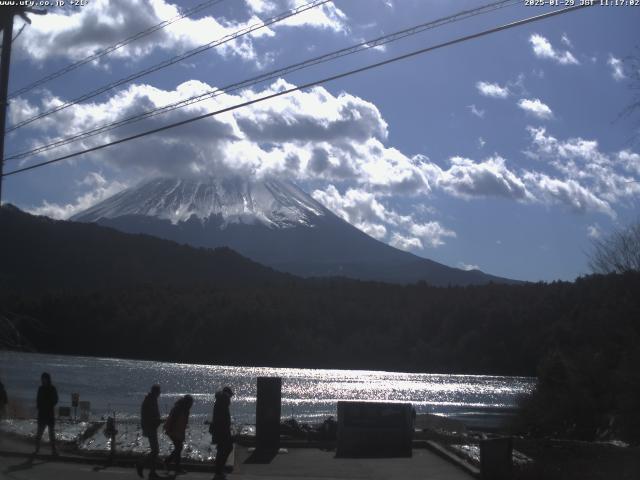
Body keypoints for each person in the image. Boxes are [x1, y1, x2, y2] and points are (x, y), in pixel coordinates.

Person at [137, 384, 162, 479]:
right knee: (155, 451)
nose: (160, 393)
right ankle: (141, 464)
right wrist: (158, 420)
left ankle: (152, 472)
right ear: (156, 392)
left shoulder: (151, 399)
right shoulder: (150, 400)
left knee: (154, 450)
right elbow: (150, 416)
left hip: (151, 426)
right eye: (159, 391)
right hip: (150, 427)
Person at [163, 394, 193, 473]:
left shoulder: (185, 409)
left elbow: (183, 423)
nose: (191, 405)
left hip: (178, 431)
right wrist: (169, 430)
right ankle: (170, 463)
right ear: (187, 402)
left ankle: (172, 464)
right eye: (190, 403)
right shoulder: (179, 408)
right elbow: (171, 419)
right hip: (173, 430)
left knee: (178, 448)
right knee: (179, 448)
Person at [210, 386, 234, 480]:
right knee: (226, 448)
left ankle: (219, 470)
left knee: (222, 449)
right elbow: (222, 419)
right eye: (230, 397)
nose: (230, 399)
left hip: (220, 430)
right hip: (222, 430)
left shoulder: (220, 402)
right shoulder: (223, 402)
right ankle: (219, 470)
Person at [34, 372, 58, 456]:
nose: (43, 380)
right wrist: (39, 407)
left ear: (48, 379)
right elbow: (38, 400)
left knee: (51, 433)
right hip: (42, 414)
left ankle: (53, 450)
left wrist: (48, 404)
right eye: (42, 379)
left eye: (45, 378)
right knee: (39, 432)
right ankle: (37, 448)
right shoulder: (41, 388)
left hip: (50, 414)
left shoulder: (52, 388)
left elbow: (55, 400)